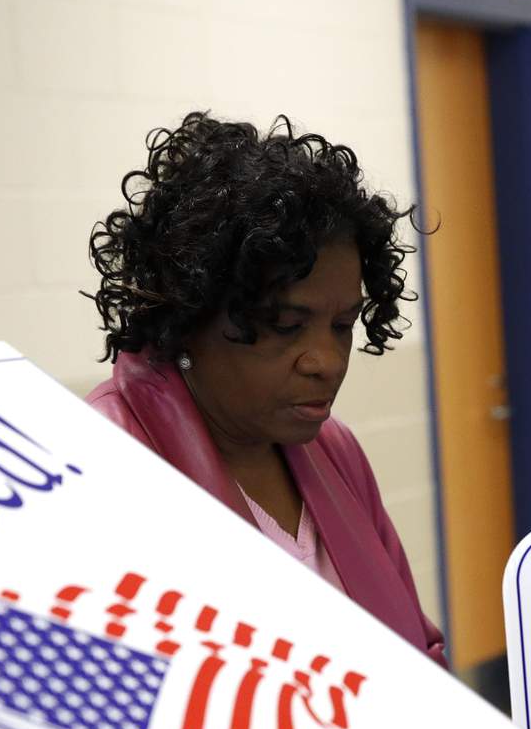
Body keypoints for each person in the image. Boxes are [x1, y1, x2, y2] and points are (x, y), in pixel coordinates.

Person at [84, 113, 447, 668]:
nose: (326, 362)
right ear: (189, 313)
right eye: (285, 326)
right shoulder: (105, 463)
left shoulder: (336, 450)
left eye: (343, 324)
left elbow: (418, 650)